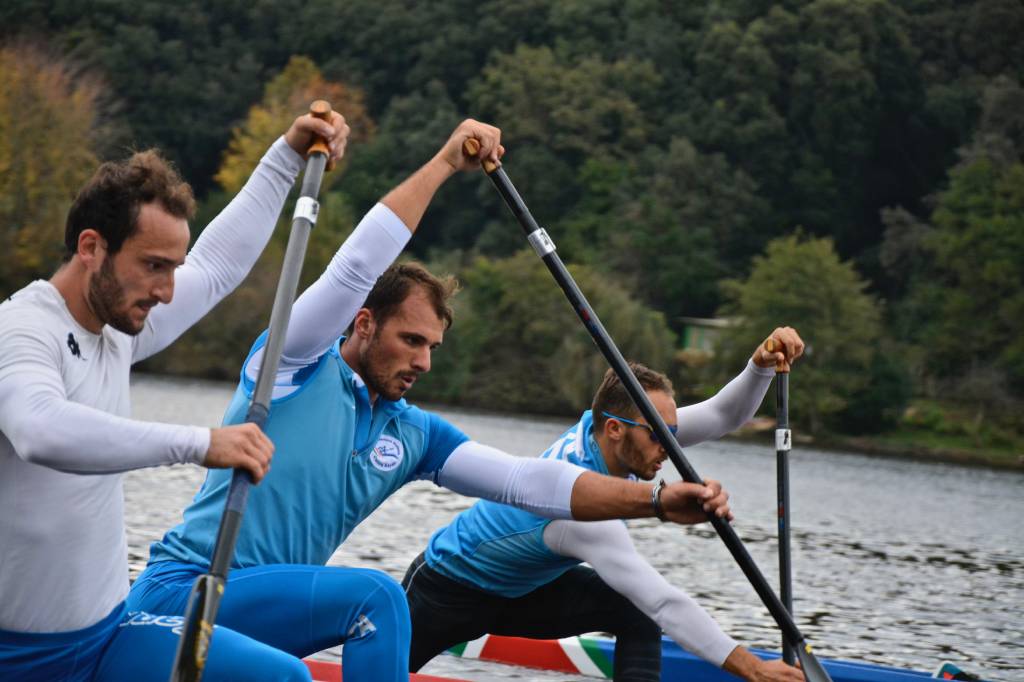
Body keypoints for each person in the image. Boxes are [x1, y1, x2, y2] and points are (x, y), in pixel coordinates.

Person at [125, 119, 734, 681]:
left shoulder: (413, 436)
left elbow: (534, 483)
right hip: (184, 596)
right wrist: (445, 162)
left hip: (262, 626)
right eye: (410, 339)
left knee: (364, 608)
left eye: (434, 346)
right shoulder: (292, 365)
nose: (423, 361)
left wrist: (655, 500)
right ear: (362, 324)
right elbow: (353, 267)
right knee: (376, 596)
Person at [0, 109, 350, 681]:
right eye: (154, 266)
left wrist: (287, 155)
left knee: (286, 677)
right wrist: (199, 443)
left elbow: (214, 268)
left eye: (172, 268)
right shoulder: (21, 332)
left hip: (108, 638)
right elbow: (40, 430)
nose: (166, 291)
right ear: (91, 246)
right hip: (16, 658)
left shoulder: (116, 326)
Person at [402, 333, 808, 682]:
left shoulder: (618, 431)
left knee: (633, 613)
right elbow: (663, 601)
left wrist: (760, 366)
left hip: (525, 591)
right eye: (658, 437)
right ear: (614, 429)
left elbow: (722, 414)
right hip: (444, 591)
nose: (667, 448)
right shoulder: (579, 512)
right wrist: (752, 667)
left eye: (672, 434)